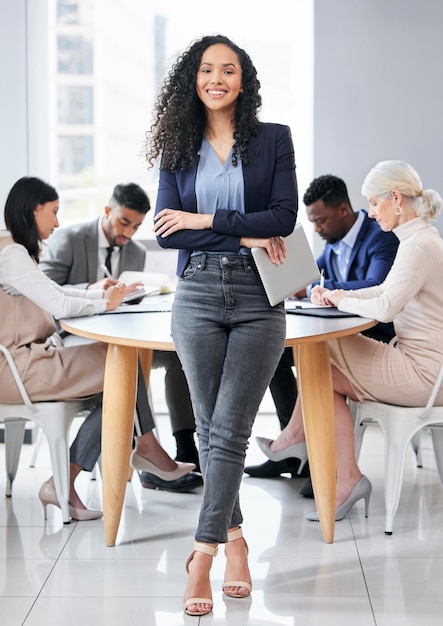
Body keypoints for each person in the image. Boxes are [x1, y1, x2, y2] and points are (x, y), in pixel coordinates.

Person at [146, 34, 297, 616]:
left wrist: (205, 218)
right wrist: (241, 231)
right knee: (212, 429)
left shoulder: (273, 139)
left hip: (262, 292)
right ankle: (235, 543)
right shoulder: (176, 146)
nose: (217, 79)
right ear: (194, 79)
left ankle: (201, 555)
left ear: (243, 80)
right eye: (206, 69)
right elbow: (167, 230)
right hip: (199, 292)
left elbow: (282, 216)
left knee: (227, 428)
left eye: (228, 70)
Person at [0, 176, 198, 520]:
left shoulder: (14, 250)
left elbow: (57, 293)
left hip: (28, 361)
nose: (58, 221)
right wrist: (104, 303)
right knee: (121, 363)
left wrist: (103, 297)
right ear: (34, 211)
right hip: (18, 367)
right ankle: (146, 447)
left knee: (118, 382)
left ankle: (69, 478)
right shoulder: (12, 253)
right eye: (53, 212)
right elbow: (58, 303)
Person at [257, 159, 443, 523]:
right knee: (322, 377)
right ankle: (346, 478)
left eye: (374, 204)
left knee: (322, 345)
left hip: (424, 375)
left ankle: (294, 439)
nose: (371, 214)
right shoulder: (420, 239)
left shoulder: (417, 244)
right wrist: (336, 295)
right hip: (423, 367)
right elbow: (385, 289)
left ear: (395, 198)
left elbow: (387, 306)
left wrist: (340, 298)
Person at [40, 182, 201, 485]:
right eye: (123, 222)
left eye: (137, 226)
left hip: (118, 336)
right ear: (106, 211)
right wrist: (90, 290)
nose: (128, 233)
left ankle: (185, 446)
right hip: (72, 337)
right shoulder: (69, 239)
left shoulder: (136, 252)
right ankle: (149, 449)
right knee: (123, 363)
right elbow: (42, 293)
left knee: (179, 357)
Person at [245, 174, 399, 488]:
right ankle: (295, 448)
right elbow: (306, 278)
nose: (317, 228)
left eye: (321, 220)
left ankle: (302, 447)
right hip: (341, 332)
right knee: (274, 350)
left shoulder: (379, 236)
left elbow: (377, 286)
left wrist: (315, 287)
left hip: (378, 334)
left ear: (343, 209)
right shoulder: (332, 246)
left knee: (314, 356)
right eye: (312, 222)